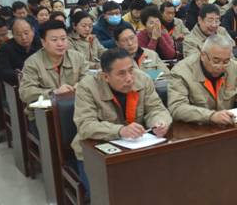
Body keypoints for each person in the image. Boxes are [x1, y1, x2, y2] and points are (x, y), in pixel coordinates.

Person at [71, 47, 171, 195]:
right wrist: (120, 130)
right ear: (105, 76)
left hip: (135, 148)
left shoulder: (143, 79)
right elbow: (85, 125)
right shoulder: (87, 87)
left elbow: (156, 109)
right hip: (95, 152)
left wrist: (159, 122)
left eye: (131, 70)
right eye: (121, 73)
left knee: (160, 186)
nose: (129, 78)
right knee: (108, 197)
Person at [168, 34, 237, 125]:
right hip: (196, 130)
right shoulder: (181, 72)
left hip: (226, 127)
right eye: (216, 61)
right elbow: (177, 107)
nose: (221, 66)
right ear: (203, 56)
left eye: (226, 61)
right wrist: (211, 116)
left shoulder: (231, 67)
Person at [19, 20, 87, 124]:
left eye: (63, 39)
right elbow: (25, 92)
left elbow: (88, 78)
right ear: (43, 42)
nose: (60, 44)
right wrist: (54, 93)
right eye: (54, 40)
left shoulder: (78, 57)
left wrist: (81, 85)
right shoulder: (32, 63)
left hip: (76, 110)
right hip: (44, 116)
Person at [0, 17, 41, 86]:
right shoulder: (6, 48)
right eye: (18, 34)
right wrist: (18, 74)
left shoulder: (41, 43)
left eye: (26, 33)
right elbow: (2, 71)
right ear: (13, 35)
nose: (23, 37)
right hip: (21, 85)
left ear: (33, 31)